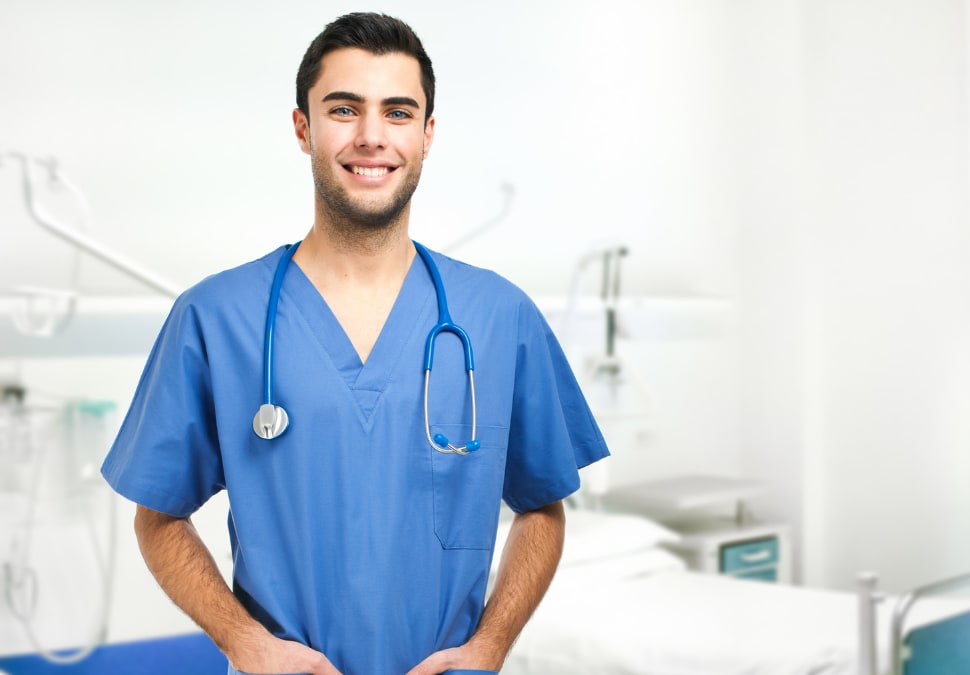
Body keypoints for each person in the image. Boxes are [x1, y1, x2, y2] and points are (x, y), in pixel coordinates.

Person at [100, 12, 608, 675]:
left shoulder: (498, 315)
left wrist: (489, 646)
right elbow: (157, 516)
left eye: (398, 113)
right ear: (302, 127)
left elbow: (542, 506)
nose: (372, 137)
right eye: (344, 109)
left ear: (427, 136)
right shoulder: (214, 316)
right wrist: (242, 641)